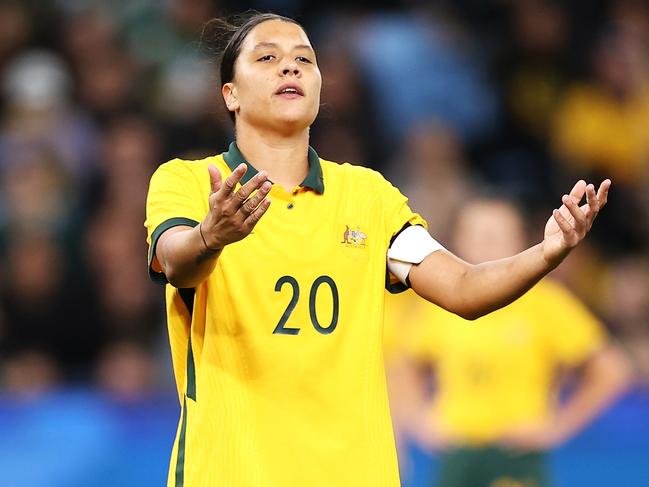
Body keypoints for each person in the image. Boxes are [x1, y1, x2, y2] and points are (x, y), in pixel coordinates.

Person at [144, 12, 611, 487]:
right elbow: (178, 263)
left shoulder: (368, 197)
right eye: (268, 58)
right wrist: (212, 236)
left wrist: (547, 252)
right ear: (231, 94)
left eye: (304, 59)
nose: (290, 68)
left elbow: (464, 289)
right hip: (231, 473)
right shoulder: (189, 182)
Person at [384, 197, 630, 487]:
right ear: (457, 242)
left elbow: (612, 369)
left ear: (519, 240)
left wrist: (558, 426)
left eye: (497, 235)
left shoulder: (544, 303)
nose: (486, 244)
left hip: (516, 451)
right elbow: (402, 364)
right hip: (460, 451)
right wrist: (422, 420)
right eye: (477, 235)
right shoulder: (441, 303)